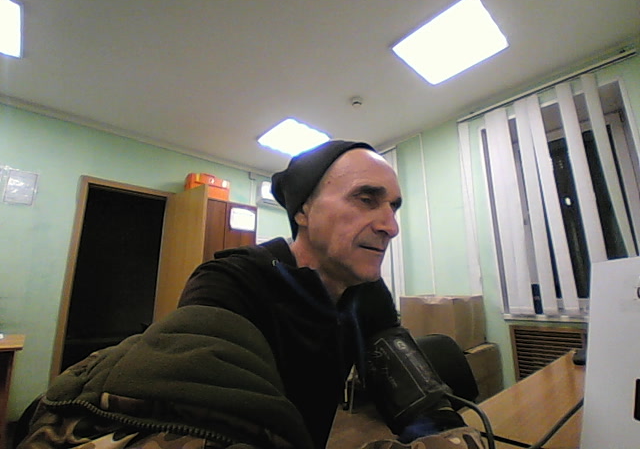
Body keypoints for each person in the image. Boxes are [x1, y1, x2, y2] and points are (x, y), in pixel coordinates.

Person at [16, 140, 483, 449]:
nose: (390, 226)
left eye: (394, 207)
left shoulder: (367, 292)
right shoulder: (231, 280)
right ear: (303, 211)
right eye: (367, 199)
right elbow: (196, 424)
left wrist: (446, 436)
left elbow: (418, 405)